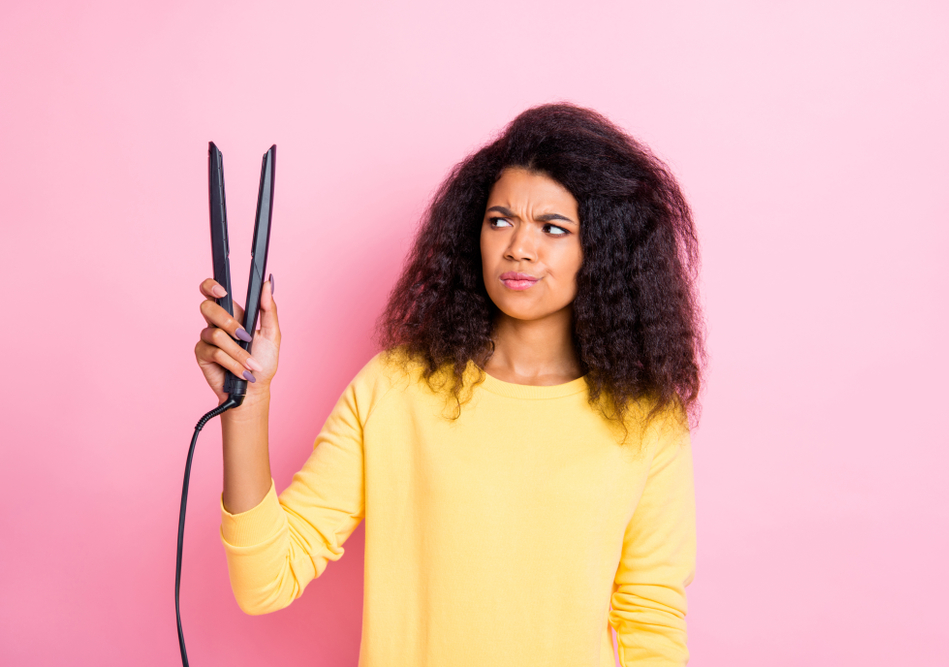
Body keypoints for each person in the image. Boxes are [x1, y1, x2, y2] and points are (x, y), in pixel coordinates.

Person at [193, 103, 704, 666]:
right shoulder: (395, 390)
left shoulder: (647, 421)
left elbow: (650, 620)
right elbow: (265, 580)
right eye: (499, 219)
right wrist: (248, 401)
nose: (519, 247)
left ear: (603, 251)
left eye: (553, 228)